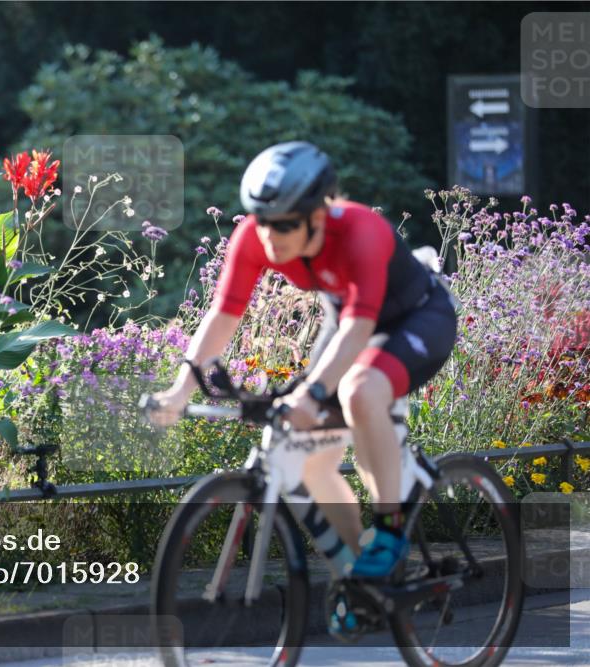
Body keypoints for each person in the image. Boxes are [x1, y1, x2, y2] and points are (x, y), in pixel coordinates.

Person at [145, 140, 458, 637]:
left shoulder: (359, 231)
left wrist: (312, 395)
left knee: (359, 391)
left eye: (286, 224)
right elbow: (223, 314)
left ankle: (390, 530)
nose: (271, 235)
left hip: (418, 318)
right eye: (262, 221)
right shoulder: (254, 236)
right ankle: (362, 578)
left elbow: (359, 330)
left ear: (318, 215)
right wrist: (182, 388)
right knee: (307, 457)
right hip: (348, 320)